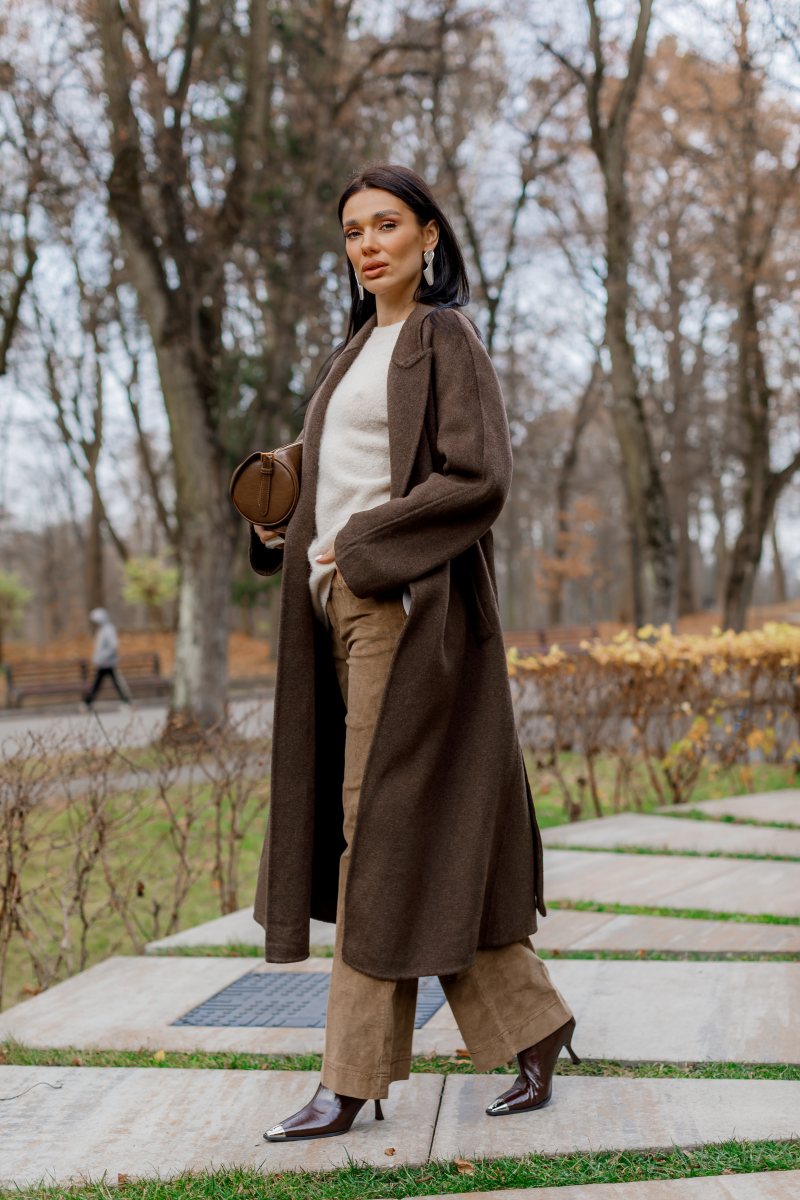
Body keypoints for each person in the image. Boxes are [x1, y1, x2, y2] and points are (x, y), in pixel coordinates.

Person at [249, 164, 578, 1143]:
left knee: (378, 839)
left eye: (386, 225)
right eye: (353, 231)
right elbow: (345, 475)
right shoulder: (353, 351)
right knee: (410, 838)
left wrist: (359, 543)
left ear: (428, 235)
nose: (367, 245)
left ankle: (347, 1081)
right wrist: (283, 522)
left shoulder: (444, 336)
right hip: (333, 613)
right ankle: (534, 1025)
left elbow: (478, 476)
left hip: (402, 612)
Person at [83, 608, 132, 708]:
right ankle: (88, 702)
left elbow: (113, 646)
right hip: (103, 663)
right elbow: (99, 647)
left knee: (112, 683)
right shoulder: (101, 630)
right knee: (99, 683)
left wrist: (103, 657)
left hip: (108, 663)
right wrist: (97, 658)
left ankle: (127, 701)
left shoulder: (108, 630)